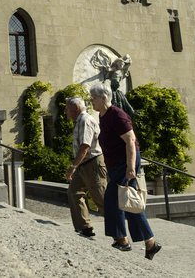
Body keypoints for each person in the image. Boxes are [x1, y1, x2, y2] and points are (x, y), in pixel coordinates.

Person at [88, 82, 162, 260]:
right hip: (116, 164)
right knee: (128, 202)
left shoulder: (117, 115)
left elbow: (130, 141)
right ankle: (150, 243)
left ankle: (122, 240)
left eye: (94, 98)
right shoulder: (103, 116)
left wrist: (130, 168)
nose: (91, 101)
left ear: (104, 97)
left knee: (112, 199)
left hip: (125, 163)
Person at [64, 96, 107, 237]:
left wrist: (73, 166)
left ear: (75, 108)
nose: (65, 112)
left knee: (101, 199)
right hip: (84, 163)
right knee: (74, 191)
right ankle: (85, 227)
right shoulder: (79, 121)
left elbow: (85, 146)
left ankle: (119, 231)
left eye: (67, 109)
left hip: (92, 163)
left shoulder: (85, 120)